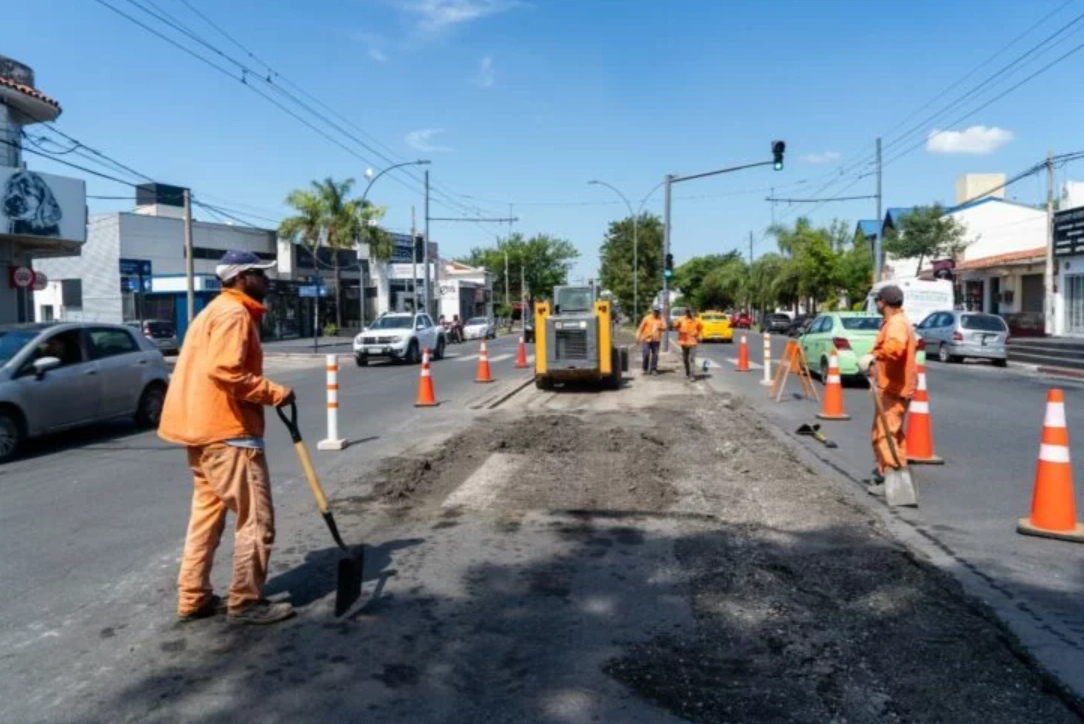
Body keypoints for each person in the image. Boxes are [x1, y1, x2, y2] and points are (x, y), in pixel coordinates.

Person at [159, 250, 295, 625]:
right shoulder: (234, 314)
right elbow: (225, 372)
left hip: (202, 433)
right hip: (229, 434)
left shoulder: (212, 312)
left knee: (206, 518)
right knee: (257, 520)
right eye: (259, 274)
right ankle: (246, 601)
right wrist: (275, 393)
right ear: (240, 278)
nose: (266, 280)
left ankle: (193, 597)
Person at [858, 284, 918, 488]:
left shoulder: (896, 323)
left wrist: (874, 356)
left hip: (894, 388)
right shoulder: (895, 321)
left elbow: (895, 348)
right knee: (893, 433)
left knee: (884, 435)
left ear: (883, 302)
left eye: (878, 300)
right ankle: (897, 474)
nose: (876, 304)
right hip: (893, 387)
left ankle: (891, 479)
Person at [673, 307, 703, 379]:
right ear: (685, 313)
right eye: (687, 312)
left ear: (693, 312)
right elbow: (675, 326)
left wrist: (700, 336)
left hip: (693, 342)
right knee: (685, 359)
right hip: (684, 342)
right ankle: (687, 373)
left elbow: (700, 329)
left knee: (692, 359)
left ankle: (692, 375)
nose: (689, 313)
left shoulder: (697, 321)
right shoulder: (681, 319)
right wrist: (677, 323)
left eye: (690, 312)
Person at [637, 305, 666, 375]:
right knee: (646, 354)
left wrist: (659, 327)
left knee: (655, 355)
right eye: (655, 311)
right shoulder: (647, 318)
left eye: (658, 311)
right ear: (653, 311)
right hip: (646, 339)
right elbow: (641, 328)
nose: (656, 313)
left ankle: (653, 369)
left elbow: (665, 327)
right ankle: (644, 368)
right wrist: (638, 337)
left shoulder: (661, 319)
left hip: (656, 340)